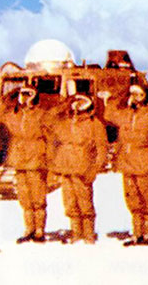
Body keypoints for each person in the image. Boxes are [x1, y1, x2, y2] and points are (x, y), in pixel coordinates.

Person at [108, 83, 148, 246]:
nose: (136, 98)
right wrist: (117, 96)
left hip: (145, 163)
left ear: (146, 97)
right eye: (133, 94)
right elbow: (109, 114)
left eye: (139, 95)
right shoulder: (125, 114)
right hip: (127, 163)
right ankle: (137, 234)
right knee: (132, 201)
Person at [47, 93, 108, 243]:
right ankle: (76, 233)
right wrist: (63, 105)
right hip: (66, 167)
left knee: (85, 202)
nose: (77, 106)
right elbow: (47, 121)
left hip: (83, 168)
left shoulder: (94, 124)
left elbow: (101, 148)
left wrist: (95, 168)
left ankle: (88, 234)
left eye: (81, 102)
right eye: (75, 102)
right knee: (70, 202)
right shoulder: (65, 122)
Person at [0, 86, 50, 243]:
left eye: (28, 94)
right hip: (19, 160)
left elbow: (51, 133)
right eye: (22, 95)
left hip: (35, 159)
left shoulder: (41, 114)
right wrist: (8, 98)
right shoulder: (15, 114)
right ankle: (29, 229)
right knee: (24, 198)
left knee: (38, 197)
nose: (24, 98)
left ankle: (39, 230)